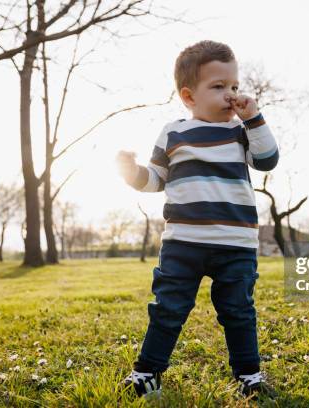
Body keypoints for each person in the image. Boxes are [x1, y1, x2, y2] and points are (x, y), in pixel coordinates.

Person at [116, 40, 279, 400]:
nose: (230, 95)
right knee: (168, 309)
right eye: (218, 87)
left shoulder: (241, 132)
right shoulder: (174, 133)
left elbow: (267, 160)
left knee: (238, 311)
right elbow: (157, 179)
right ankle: (147, 373)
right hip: (183, 244)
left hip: (235, 246)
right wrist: (132, 173)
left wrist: (254, 118)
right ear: (189, 96)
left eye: (234, 86)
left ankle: (249, 375)